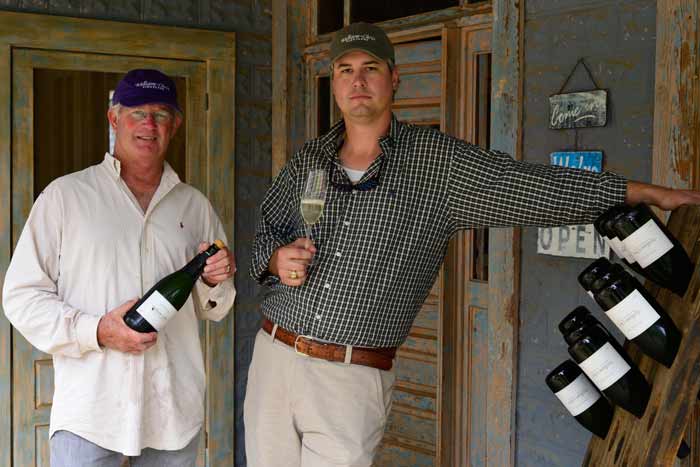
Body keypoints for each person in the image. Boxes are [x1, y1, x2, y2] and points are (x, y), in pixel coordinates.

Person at [246, 21, 700, 467]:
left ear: (394, 78)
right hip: (274, 359)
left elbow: (531, 188)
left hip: (349, 376)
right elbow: (264, 233)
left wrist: (646, 194)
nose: (357, 80)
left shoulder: (437, 162)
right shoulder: (309, 161)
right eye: (345, 69)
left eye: (370, 68)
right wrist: (274, 257)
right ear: (334, 82)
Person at [2, 69, 236, 466]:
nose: (149, 124)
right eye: (137, 113)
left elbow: (216, 307)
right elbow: (21, 297)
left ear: (175, 125)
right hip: (91, 413)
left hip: (171, 414)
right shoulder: (66, 197)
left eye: (161, 114)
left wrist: (214, 281)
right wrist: (96, 331)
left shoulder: (194, 206)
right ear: (114, 119)